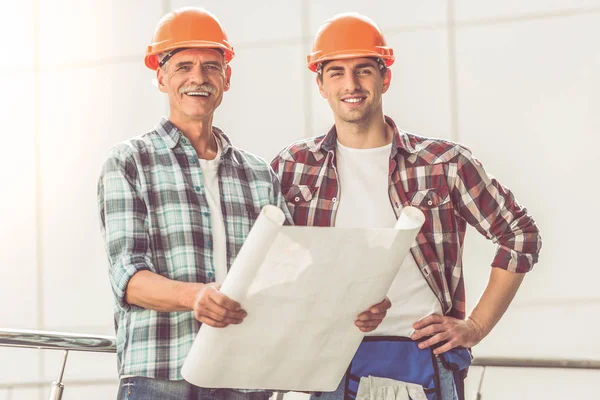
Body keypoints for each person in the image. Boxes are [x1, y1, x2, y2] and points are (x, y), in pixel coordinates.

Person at [98, 8, 390, 399]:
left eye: (211, 67)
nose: (198, 78)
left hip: (245, 376)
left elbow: (297, 271)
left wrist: (354, 301)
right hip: (161, 375)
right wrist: (196, 298)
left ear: (227, 78)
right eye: (183, 66)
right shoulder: (130, 161)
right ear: (161, 76)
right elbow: (128, 278)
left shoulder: (256, 174)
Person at [271, 13, 542, 400]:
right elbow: (269, 265)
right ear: (320, 84)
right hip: (329, 361)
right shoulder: (293, 167)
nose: (351, 85)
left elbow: (520, 235)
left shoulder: (443, 163)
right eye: (336, 73)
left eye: (363, 70)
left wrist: (476, 326)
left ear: (385, 77)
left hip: (423, 361)